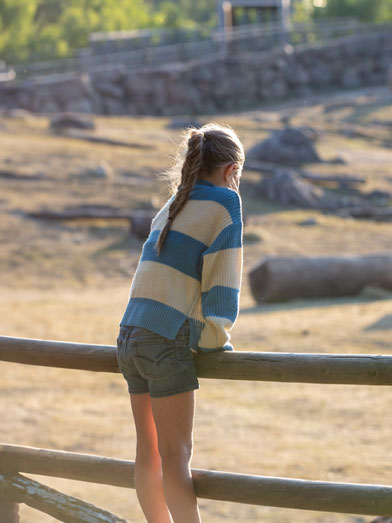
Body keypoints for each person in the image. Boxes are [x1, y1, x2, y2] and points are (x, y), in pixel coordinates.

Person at [116, 123, 244, 523]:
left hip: (129, 334)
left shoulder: (173, 203)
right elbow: (222, 281)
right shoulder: (225, 202)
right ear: (231, 170)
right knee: (177, 455)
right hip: (165, 339)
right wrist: (215, 339)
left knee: (148, 452)